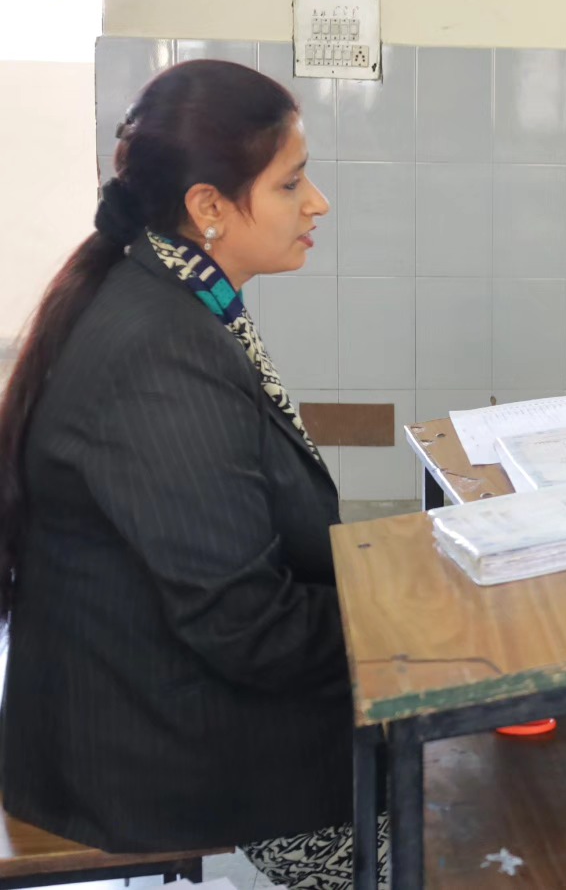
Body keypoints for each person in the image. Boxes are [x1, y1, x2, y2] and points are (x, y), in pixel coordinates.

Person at [0, 60, 384, 888]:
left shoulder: (165, 288)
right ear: (209, 206)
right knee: (469, 835)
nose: (317, 203)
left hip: (157, 697)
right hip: (155, 748)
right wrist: (415, 629)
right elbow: (244, 625)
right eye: (291, 184)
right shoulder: (158, 349)